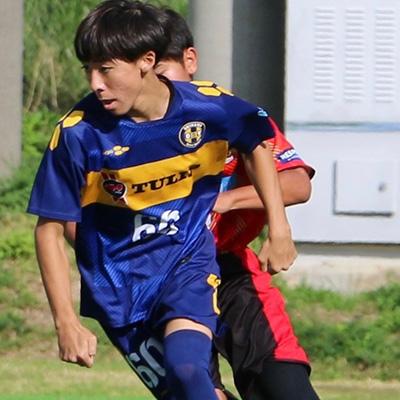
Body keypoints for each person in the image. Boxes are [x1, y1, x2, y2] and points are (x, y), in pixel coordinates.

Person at [27, 1, 296, 399]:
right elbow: (48, 230)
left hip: (186, 264)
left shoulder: (208, 107)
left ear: (147, 61)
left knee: (187, 369)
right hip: (118, 288)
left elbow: (257, 142)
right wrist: (65, 322)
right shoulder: (77, 134)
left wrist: (279, 228)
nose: (95, 83)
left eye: (106, 69)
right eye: (89, 70)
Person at [154, 8, 320, 400]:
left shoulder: (230, 113)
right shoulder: (123, 133)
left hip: (232, 273)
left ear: (190, 60)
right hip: (161, 280)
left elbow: (296, 183)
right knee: (196, 388)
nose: (157, 89)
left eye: (162, 73)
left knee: (286, 386)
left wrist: (228, 200)